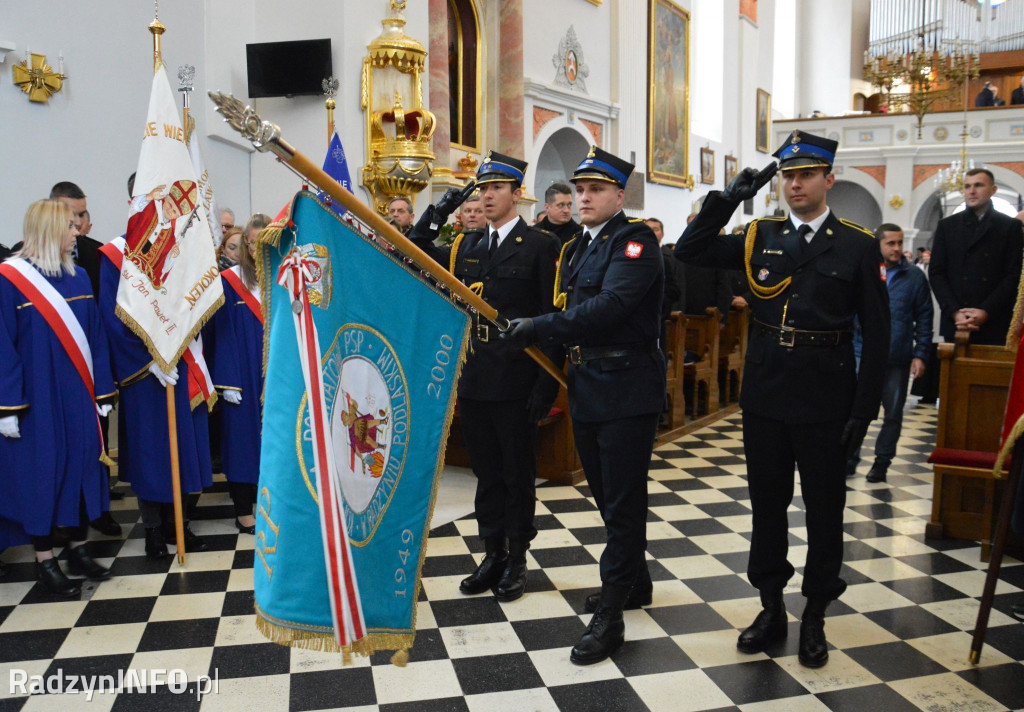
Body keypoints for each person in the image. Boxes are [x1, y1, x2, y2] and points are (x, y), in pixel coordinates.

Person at [675, 130, 890, 668]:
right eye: (788, 176)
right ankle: (770, 606)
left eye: (806, 175)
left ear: (828, 179)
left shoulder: (857, 243)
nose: (795, 184)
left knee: (825, 510)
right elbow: (690, 250)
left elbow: (878, 333)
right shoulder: (758, 235)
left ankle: (815, 612)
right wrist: (728, 198)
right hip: (767, 393)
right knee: (767, 507)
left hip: (827, 395)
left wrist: (863, 411)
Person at [504, 147, 666, 665]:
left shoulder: (635, 241)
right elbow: (566, 309)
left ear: (619, 195)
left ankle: (611, 616)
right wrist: (545, 381)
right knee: (609, 496)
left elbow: (611, 306)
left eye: (596, 189)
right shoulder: (576, 247)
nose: (584, 198)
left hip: (627, 387)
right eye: (579, 190)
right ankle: (635, 582)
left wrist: (539, 327)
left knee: (621, 500)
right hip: (590, 384)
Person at [410, 152, 560, 603]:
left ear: (517, 193)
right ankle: (492, 552)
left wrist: (546, 385)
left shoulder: (540, 245)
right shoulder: (466, 246)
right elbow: (415, 250)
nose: (488, 196)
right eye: (482, 189)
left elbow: (551, 319)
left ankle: (518, 558)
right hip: (475, 378)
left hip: (517, 381)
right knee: (487, 473)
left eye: (496, 188)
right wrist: (439, 209)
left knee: (517, 473)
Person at [0, 199, 117, 596]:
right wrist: (8, 406)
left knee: (82, 468)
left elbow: (96, 338)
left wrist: (103, 389)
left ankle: (77, 549)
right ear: (50, 229)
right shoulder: (10, 279)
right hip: (37, 402)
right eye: (69, 225)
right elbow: (3, 346)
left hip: (78, 396)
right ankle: (44, 559)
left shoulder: (80, 277)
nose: (77, 231)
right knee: (43, 476)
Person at [98, 177, 212, 560]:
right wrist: (148, 362)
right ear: (134, 200)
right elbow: (112, 317)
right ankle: (152, 528)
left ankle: (180, 522)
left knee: (184, 447)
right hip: (145, 373)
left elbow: (195, 304)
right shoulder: (114, 255)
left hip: (180, 362)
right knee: (151, 451)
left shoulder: (182, 248)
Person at [48, 181, 122, 536]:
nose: (77, 224)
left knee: (97, 438)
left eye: (81, 215)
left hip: (91, 364)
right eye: (70, 216)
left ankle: (99, 508)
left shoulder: (96, 253)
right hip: (50, 368)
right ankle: (59, 515)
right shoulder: (23, 261)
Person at [846, 224, 933, 483]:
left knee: (893, 414)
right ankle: (848, 458)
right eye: (891, 243)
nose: (897, 248)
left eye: (899, 243)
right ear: (878, 244)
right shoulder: (865, 270)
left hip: (896, 356)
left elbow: (924, 317)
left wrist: (921, 354)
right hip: (861, 352)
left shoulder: (914, 277)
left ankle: (881, 463)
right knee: (856, 410)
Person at [209, 215, 265, 534]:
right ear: (245, 244)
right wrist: (228, 380)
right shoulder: (230, 281)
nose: (258, 249)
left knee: (275, 442)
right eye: (253, 242)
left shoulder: (282, 279)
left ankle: (271, 504)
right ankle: (243, 510)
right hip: (242, 375)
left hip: (276, 375)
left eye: (264, 242)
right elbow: (222, 334)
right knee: (242, 441)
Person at [929, 168, 1023, 346]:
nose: (971, 191)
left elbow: (1013, 275)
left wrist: (986, 311)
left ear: (993, 190)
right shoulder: (947, 226)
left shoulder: (1009, 226)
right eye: (967, 186)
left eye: (978, 185)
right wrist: (955, 312)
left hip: (994, 320)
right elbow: (936, 273)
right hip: (957, 320)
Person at [650, 218, 687, 312]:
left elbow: (679, 286)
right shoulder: (636, 255)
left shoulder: (672, 256)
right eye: (648, 229)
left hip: (666, 310)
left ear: (662, 234)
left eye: (655, 229)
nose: (651, 232)